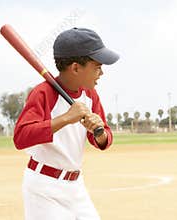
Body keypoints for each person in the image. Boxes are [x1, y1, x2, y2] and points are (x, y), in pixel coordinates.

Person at [13, 27, 119, 220]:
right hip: (44, 189)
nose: (101, 72)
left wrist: (99, 132)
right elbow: (21, 137)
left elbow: (104, 140)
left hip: (76, 187)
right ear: (76, 68)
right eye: (97, 66)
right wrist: (65, 119)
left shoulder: (90, 95)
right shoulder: (43, 93)